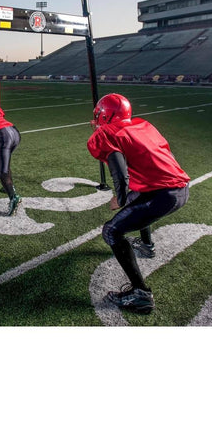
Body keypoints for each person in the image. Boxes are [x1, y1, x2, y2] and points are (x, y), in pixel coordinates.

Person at [87, 93, 190, 314]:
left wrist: (120, 198)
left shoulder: (108, 134)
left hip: (163, 194)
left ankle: (141, 294)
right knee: (140, 200)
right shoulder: (143, 126)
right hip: (180, 188)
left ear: (104, 115)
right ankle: (146, 245)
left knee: (111, 231)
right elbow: (166, 155)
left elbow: (119, 172)